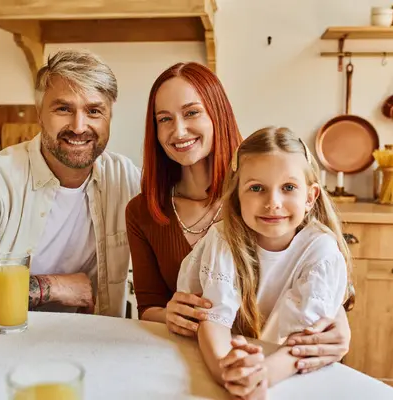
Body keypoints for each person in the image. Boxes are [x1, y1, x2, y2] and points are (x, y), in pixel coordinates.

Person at [126, 62, 352, 374]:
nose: (178, 130)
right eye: (164, 119)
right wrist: (169, 315)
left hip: (285, 369)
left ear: (217, 114)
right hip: (194, 363)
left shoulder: (262, 188)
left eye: (191, 112)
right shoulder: (142, 211)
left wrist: (339, 324)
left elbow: (318, 272)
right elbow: (148, 306)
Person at [0, 49, 140, 317]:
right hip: (6, 342)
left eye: (94, 111)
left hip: (94, 346)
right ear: (39, 113)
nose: (79, 126)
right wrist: (54, 286)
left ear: (109, 117)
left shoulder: (127, 180)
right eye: (63, 109)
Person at [176, 126, 352, 398]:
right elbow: (213, 320)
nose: (273, 202)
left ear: (310, 197)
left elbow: (305, 341)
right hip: (235, 363)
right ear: (237, 196)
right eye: (256, 188)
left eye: (289, 187)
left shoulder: (321, 251)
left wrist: (261, 376)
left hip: (295, 375)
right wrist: (227, 371)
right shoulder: (223, 239)